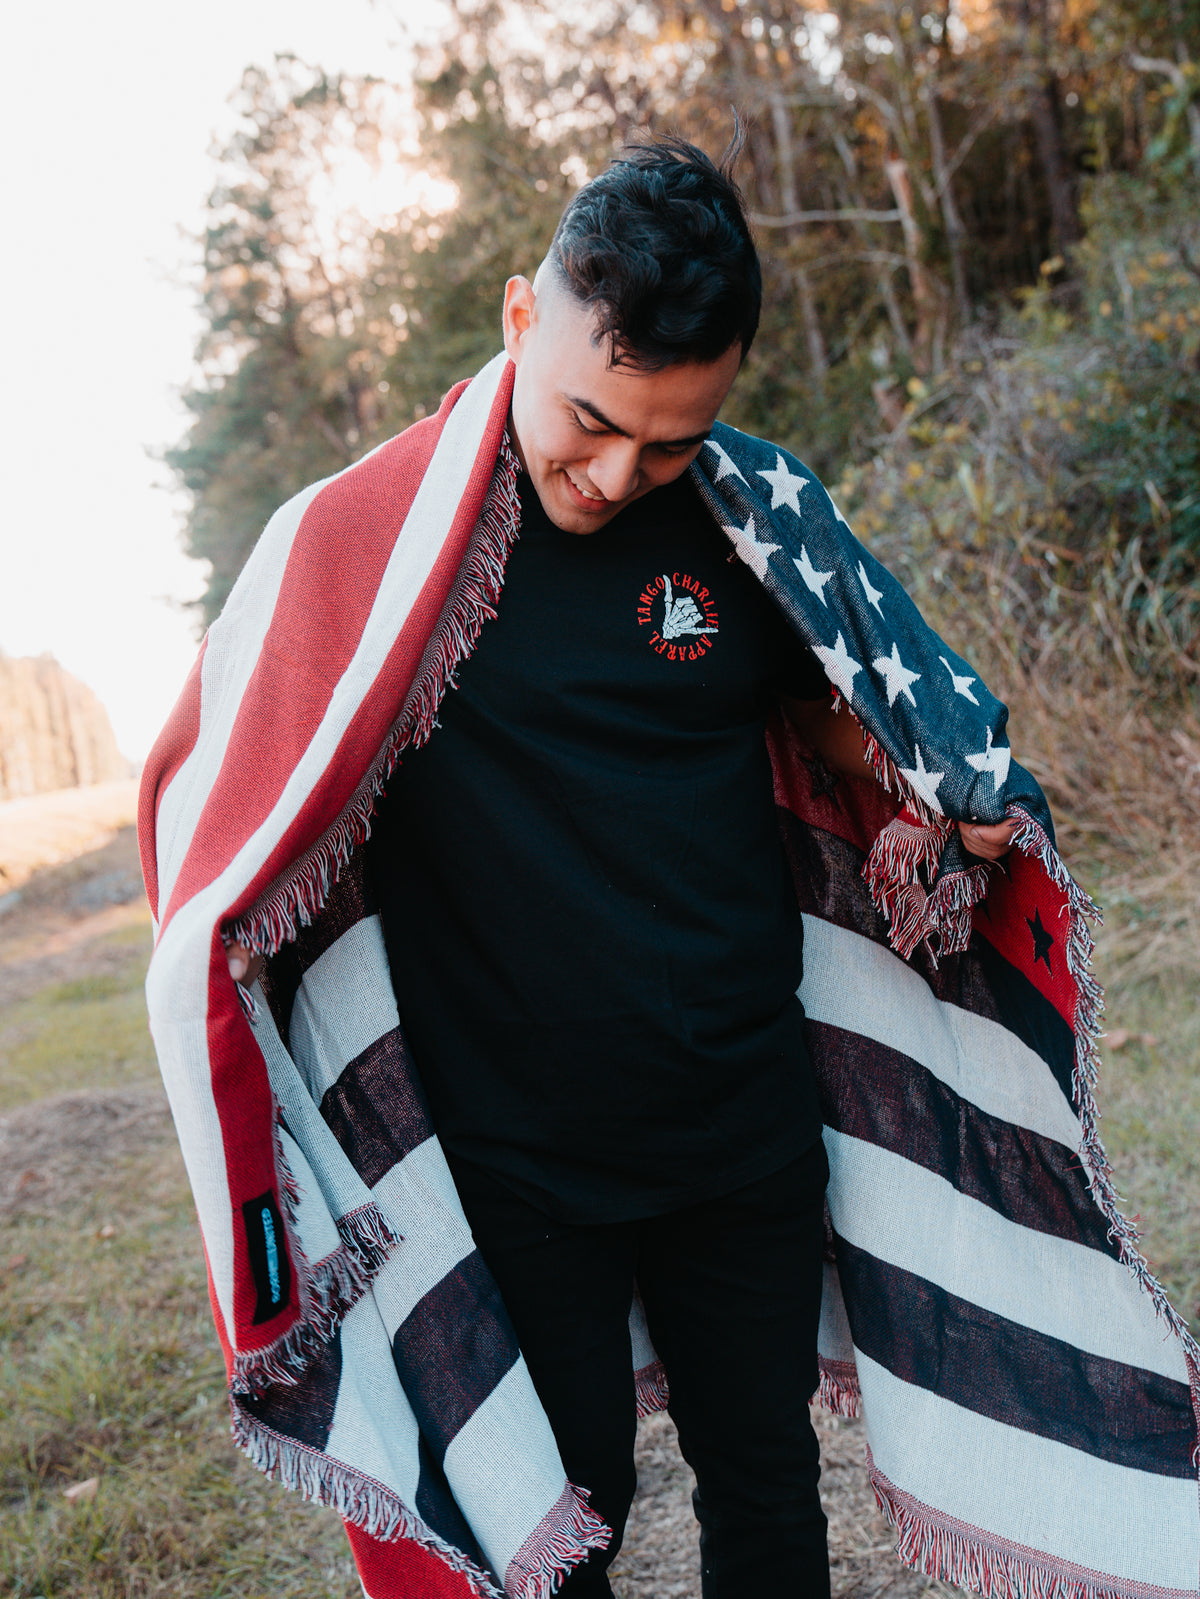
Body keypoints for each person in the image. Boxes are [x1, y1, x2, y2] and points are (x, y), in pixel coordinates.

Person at [220, 132, 1014, 1598]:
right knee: (559, 1522)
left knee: (767, 1485)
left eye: (667, 439)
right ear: (524, 315)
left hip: (741, 1122)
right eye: (590, 421)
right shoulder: (387, 553)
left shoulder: (742, 519)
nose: (616, 472)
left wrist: (929, 787)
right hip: (515, 1159)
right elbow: (243, 805)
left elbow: (849, 718)